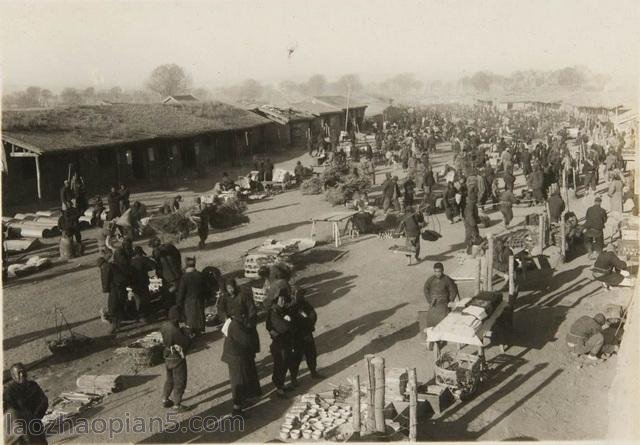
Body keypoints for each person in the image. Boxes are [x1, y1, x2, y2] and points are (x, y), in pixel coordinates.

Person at [3, 363, 49, 444]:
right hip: (22, 429)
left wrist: (36, 416)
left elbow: (44, 400)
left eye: (23, 371)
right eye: (19, 373)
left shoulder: (33, 385)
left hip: (36, 423)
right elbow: (9, 413)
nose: (22, 374)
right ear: (13, 376)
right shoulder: (9, 392)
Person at [289, 286, 322, 384]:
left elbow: (313, 315)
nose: (302, 296)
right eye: (300, 294)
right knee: (296, 358)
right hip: (297, 336)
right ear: (294, 295)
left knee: (311, 354)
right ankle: (293, 379)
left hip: (307, 333)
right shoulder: (291, 307)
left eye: (302, 294)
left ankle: (313, 372)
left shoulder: (305, 304)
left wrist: (308, 323)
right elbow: (291, 322)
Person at [161, 306, 191, 411]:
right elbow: (184, 343)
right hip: (177, 358)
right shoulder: (175, 330)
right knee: (180, 380)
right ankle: (177, 404)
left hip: (167, 356)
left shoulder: (165, 325)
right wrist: (186, 331)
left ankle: (165, 398)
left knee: (170, 379)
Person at [267, 287, 294, 398]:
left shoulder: (283, 310)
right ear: (276, 299)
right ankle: (279, 388)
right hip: (279, 343)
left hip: (285, 341)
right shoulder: (274, 311)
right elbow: (281, 327)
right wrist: (287, 322)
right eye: (281, 299)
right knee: (280, 364)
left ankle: (281, 385)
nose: (283, 301)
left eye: (284, 299)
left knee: (285, 363)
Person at [98, 254, 129, 333]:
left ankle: (114, 326)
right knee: (119, 305)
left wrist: (105, 290)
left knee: (113, 307)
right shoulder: (111, 265)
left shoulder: (105, 267)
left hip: (115, 288)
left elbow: (105, 279)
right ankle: (118, 322)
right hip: (121, 287)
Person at [177, 257, 206, 336]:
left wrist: (179, 302)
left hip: (189, 301)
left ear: (186, 265)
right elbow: (205, 288)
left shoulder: (185, 277)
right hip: (199, 299)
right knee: (199, 315)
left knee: (191, 317)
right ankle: (200, 331)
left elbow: (181, 291)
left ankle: (192, 331)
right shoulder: (199, 274)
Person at [150, 237, 182, 309]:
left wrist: (154, 280)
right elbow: (178, 256)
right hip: (177, 272)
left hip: (167, 276)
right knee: (179, 287)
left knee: (170, 291)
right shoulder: (170, 247)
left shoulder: (155, 252)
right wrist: (178, 266)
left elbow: (155, 266)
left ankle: (173, 306)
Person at [423, 263, 459, 328]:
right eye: (436, 272)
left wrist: (450, 300)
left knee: (444, 323)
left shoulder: (447, 279)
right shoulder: (431, 280)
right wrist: (430, 300)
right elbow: (426, 289)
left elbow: (453, 290)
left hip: (444, 304)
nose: (437, 273)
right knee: (431, 322)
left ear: (442, 270)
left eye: (439, 271)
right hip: (434, 304)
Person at [129, 246, 156, 322]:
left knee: (138, 300)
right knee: (146, 298)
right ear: (141, 252)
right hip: (144, 282)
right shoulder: (145, 259)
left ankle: (141, 317)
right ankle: (147, 315)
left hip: (134, 283)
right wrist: (152, 278)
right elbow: (153, 267)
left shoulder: (130, 261)